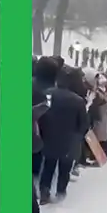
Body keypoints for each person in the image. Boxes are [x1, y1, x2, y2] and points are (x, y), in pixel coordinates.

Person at [37, 67, 88, 205]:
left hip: (49, 137)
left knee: (48, 166)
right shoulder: (78, 101)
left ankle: (44, 191)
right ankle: (60, 193)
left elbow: (40, 115)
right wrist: (78, 136)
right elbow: (84, 124)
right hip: (69, 141)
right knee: (64, 169)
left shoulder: (47, 94)